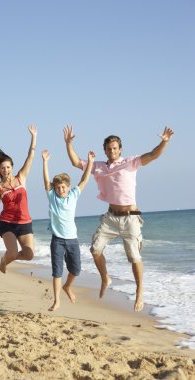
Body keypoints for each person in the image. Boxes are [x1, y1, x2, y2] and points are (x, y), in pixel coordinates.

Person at [63, 125, 174, 312]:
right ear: (105, 151)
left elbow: (153, 155)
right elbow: (76, 162)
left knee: (134, 257)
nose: (112, 151)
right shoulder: (98, 167)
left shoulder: (131, 162)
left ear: (120, 149)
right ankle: (105, 277)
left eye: (115, 148)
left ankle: (139, 291)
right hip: (110, 218)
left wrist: (163, 142)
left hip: (131, 219)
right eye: (108, 148)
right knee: (95, 249)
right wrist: (68, 144)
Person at [42, 148, 95, 311]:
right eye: (58, 188)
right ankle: (57, 301)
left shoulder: (73, 195)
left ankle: (68, 286)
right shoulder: (52, 197)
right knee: (56, 272)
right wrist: (45, 162)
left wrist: (90, 163)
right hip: (57, 240)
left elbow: (84, 180)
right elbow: (46, 182)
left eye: (63, 187)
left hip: (72, 240)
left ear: (68, 186)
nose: (61, 190)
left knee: (76, 269)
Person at [0, 124, 37, 274]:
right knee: (13, 251)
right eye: (2, 168)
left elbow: (31, 156)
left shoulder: (21, 177)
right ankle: (5, 259)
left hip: (25, 222)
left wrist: (33, 137)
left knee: (29, 255)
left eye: (8, 167)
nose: (6, 170)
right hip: (7, 223)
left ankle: (8, 259)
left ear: (12, 167)